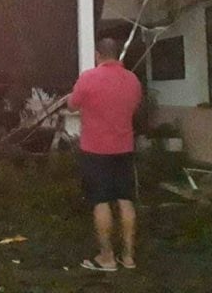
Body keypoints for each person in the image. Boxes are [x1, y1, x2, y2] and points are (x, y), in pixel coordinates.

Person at [67, 38, 142, 272]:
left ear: (98, 55)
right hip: (124, 149)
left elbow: (71, 105)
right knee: (125, 200)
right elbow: (134, 106)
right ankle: (128, 257)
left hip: (95, 151)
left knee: (100, 202)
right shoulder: (132, 80)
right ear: (118, 55)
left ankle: (106, 257)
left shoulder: (89, 77)